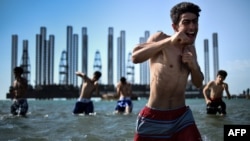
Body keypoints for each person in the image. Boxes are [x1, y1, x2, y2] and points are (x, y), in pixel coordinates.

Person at [131, 2, 204, 141]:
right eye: (186, 22)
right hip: (155, 116)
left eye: (195, 22)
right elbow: (135, 57)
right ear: (175, 26)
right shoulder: (160, 38)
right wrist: (169, 41)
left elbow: (199, 83)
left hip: (182, 117)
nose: (192, 27)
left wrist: (193, 65)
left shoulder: (191, 50)